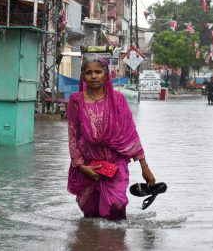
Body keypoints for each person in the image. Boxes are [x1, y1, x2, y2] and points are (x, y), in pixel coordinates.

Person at [66, 56, 156, 221]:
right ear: (83, 76)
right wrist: (81, 167)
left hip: (115, 166)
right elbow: (73, 136)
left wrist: (145, 168)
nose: (93, 76)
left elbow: (131, 135)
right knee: (91, 216)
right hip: (88, 167)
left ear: (106, 74)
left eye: (98, 72)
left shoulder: (119, 100)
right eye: (89, 73)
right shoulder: (76, 101)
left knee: (117, 207)